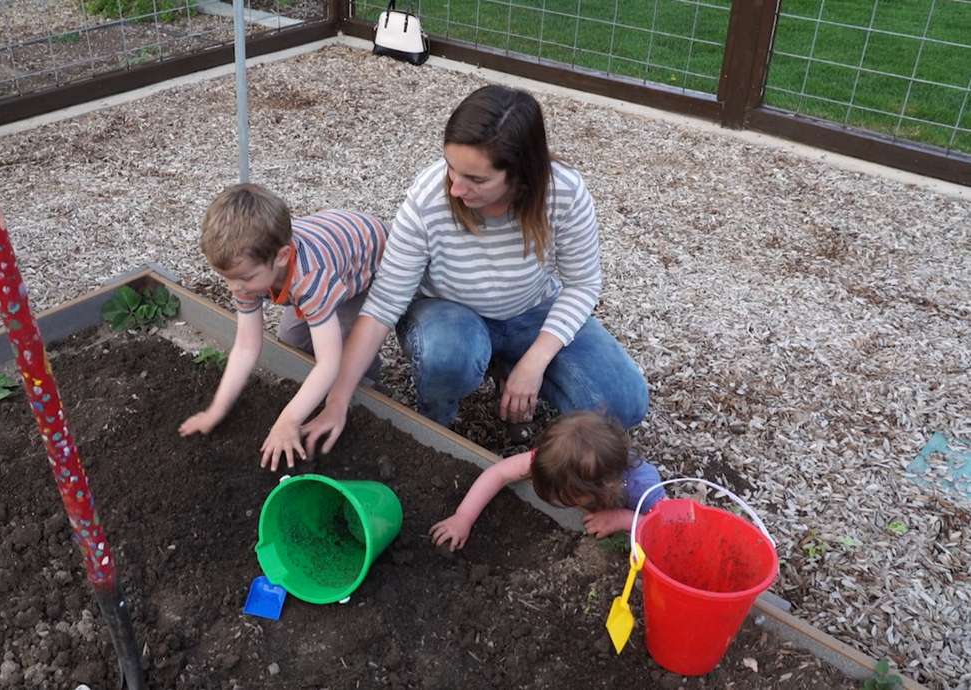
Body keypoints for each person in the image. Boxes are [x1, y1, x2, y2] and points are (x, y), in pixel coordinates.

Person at [303, 84, 647, 457]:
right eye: (451, 168)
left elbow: (582, 285)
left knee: (623, 404)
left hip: (531, 310)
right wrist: (337, 401)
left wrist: (534, 361)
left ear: (521, 175)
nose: (455, 188)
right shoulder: (428, 197)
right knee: (449, 356)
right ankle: (434, 431)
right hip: (448, 312)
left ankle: (510, 363)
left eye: (476, 180)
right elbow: (384, 301)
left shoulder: (564, 193)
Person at [178, 183, 387, 470]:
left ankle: (367, 390)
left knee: (348, 340)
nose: (235, 287)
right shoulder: (245, 272)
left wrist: (287, 420)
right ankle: (320, 391)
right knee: (291, 339)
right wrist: (216, 411)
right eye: (227, 277)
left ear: (281, 257)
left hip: (367, 264)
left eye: (245, 278)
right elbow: (246, 346)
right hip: (328, 246)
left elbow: (329, 362)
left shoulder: (311, 278)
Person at [430, 411, 665, 550]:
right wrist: (464, 517)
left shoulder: (641, 487)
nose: (560, 502)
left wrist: (625, 519)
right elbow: (499, 473)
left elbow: (672, 527)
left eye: (568, 498)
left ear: (604, 486)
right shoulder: (557, 458)